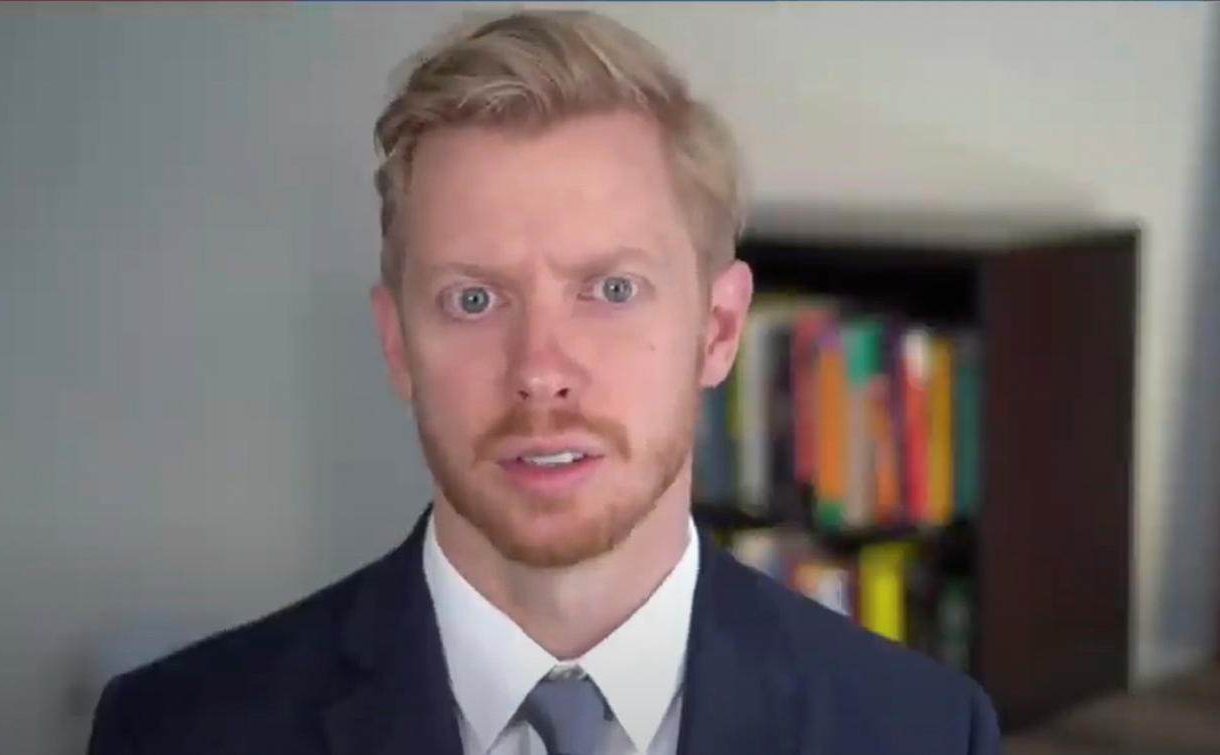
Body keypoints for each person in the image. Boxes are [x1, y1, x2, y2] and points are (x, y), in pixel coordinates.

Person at [87, 10, 999, 755]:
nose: (540, 373)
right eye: (474, 297)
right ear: (398, 343)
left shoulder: (922, 732)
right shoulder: (173, 731)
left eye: (611, 289)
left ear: (717, 330)